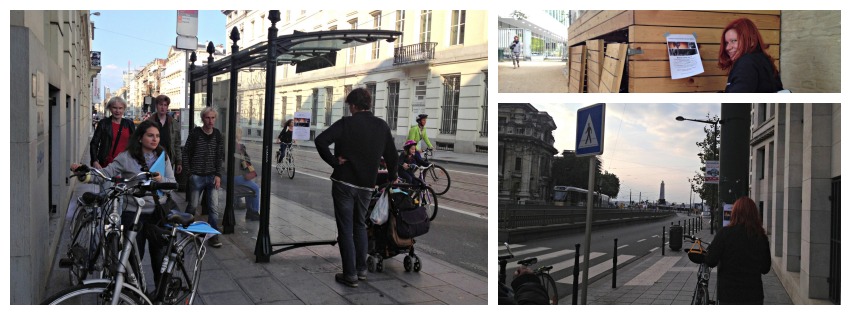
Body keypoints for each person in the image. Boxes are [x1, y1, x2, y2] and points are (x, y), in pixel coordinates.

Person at [71, 120, 176, 287]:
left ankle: (159, 297)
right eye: (150, 135)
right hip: (133, 214)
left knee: (160, 258)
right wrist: (85, 175)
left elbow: (172, 184)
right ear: (140, 138)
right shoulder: (126, 157)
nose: (155, 139)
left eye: (157, 136)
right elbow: (105, 174)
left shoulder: (163, 156)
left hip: (158, 213)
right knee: (133, 259)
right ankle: (134, 295)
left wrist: (161, 180)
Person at [315, 87, 398, 288]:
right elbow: (392, 155)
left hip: (344, 183)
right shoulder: (381, 126)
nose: (349, 110)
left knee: (345, 228)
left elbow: (321, 141)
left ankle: (349, 274)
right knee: (360, 225)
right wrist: (393, 176)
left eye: (349, 106)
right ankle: (361, 270)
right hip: (367, 186)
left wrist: (335, 162)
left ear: (353, 105)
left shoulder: (346, 123)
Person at [705, 196, 771, 304]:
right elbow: (765, 268)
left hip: (729, 294)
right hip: (753, 295)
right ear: (755, 215)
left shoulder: (725, 234)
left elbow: (711, 260)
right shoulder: (761, 237)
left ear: (734, 213)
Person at [182, 107, 225, 248]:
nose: (210, 120)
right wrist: (189, 173)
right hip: (197, 176)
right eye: (207, 117)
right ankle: (187, 228)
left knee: (213, 208)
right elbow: (186, 153)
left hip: (212, 176)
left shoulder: (218, 134)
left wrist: (218, 175)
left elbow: (220, 157)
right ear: (202, 118)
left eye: (213, 118)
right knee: (193, 206)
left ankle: (213, 235)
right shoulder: (195, 133)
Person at [718, 18, 784, 93]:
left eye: (734, 41)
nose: (727, 48)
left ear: (751, 40)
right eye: (726, 43)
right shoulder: (763, 59)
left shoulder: (746, 63)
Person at [90, 96, 136, 168]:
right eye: (115, 108)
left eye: (120, 108)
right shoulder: (103, 123)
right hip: (106, 164)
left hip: (125, 164)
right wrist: (95, 161)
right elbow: (94, 143)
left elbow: (135, 143)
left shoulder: (129, 124)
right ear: (110, 108)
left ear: (124, 109)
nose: (117, 111)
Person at [147, 95, 182, 174]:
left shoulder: (173, 123)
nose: (163, 107)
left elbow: (177, 143)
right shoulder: (149, 122)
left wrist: (179, 161)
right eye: (160, 105)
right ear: (156, 106)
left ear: (167, 107)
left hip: (168, 160)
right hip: (152, 160)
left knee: (167, 184)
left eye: (165, 105)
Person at [234, 128, 260, 221]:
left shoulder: (226, 144)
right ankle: (253, 212)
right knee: (255, 188)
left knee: (249, 186)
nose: (241, 136)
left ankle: (241, 204)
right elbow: (245, 161)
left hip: (225, 176)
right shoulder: (239, 147)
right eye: (240, 134)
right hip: (235, 177)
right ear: (238, 135)